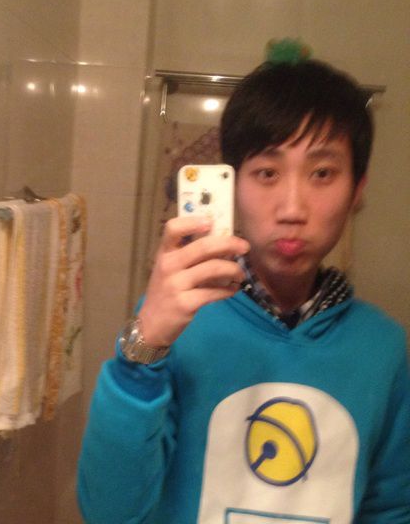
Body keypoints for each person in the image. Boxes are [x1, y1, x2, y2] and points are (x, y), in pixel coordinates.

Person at [77, 41, 410, 524]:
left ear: (357, 189)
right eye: (267, 173)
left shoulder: (383, 348)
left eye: (322, 173)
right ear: (232, 184)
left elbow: (390, 509)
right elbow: (110, 513)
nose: (292, 209)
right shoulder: (176, 325)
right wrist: (142, 350)